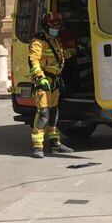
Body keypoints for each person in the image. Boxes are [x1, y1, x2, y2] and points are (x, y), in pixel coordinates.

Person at [28, 11, 74, 158]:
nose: (56, 28)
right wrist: (40, 77)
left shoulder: (55, 40)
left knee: (54, 112)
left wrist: (74, 51)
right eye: (53, 25)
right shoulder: (38, 40)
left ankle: (55, 143)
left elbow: (59, 56)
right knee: (43, 113)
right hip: (44, 81)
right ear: (46, 26)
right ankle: (37, 146)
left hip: (55, 81)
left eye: (58, 25)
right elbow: (33, 60)